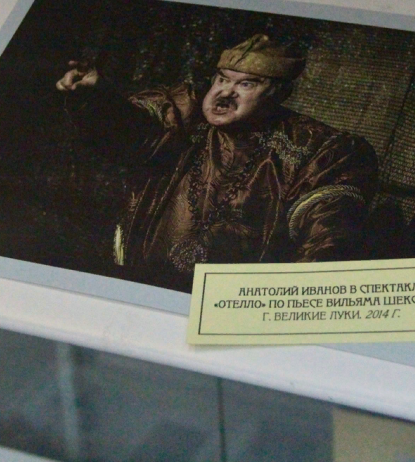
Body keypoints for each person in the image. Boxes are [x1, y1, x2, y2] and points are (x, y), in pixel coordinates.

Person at [56, 34, 378, 291]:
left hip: (231, 309)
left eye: (246, 84)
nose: (224, 93)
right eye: (222, 79)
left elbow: (328, 240)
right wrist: (97, 95)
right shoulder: (187, 114)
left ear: (279, 93)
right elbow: (130, 128)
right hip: (140, 284)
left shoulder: (315, 150)